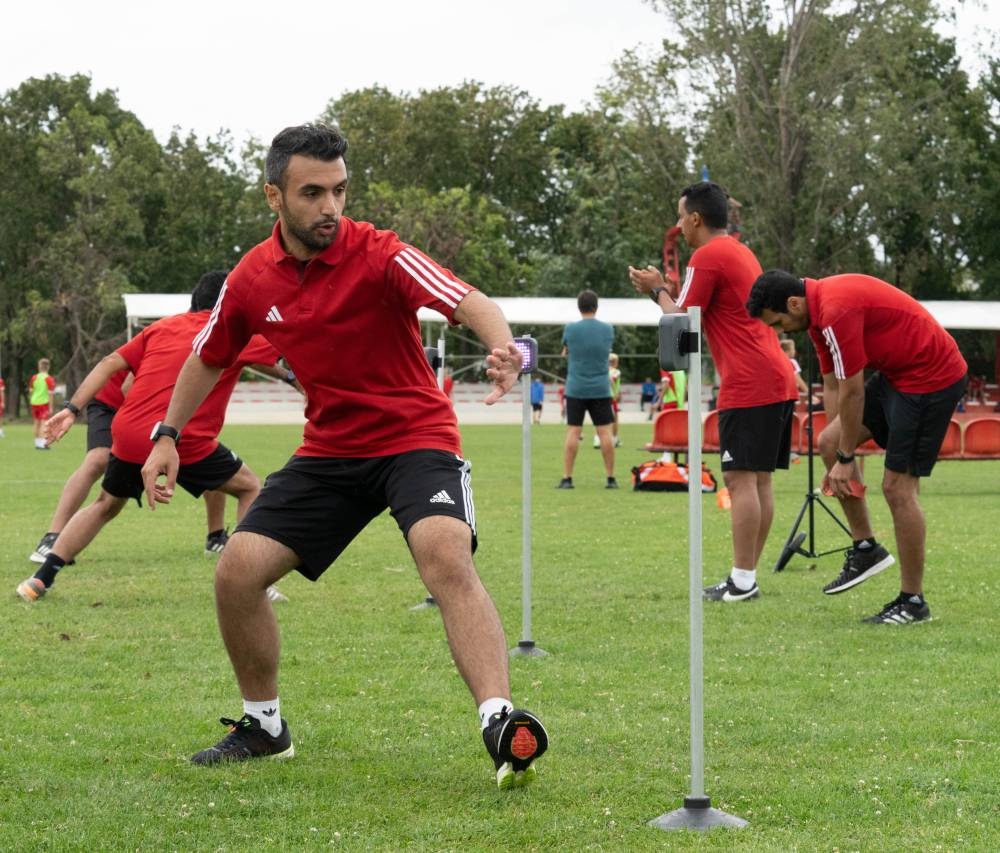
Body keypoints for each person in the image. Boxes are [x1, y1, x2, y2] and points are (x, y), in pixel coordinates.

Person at [140, 124, 547, 789]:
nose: (330, 206)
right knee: (237, 571)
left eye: (339, 190)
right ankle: (264, 727)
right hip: (330, 449)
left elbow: (469, 300)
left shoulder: (382, 253)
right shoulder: (250, 278)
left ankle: (500, 721)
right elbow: (208, 356)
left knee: (445, 554)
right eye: (312, 193)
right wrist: (166, 435)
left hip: (414, 436)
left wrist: (506, 348)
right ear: (274, 195)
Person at [16, 271, 289, 604]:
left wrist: (72, 409)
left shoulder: (162, 327)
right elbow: (289, 354)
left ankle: (40, 579)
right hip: (180, 438)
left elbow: (110, 364)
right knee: (248, 486)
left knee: (105, 505)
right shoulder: (232, 332)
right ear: (230, 304)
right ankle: (247, 578)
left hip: (130, 432)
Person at [746, 269, 968, 625]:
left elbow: (853, 391)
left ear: (793, 303)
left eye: (778, 322)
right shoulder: (815, 317)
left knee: (897, 488)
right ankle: (866, 549)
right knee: (828, 441)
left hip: (931, 378)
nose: (780, 331)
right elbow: (833, 387)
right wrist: (839, 455)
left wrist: (847, 458)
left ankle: (913, 602)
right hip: (899, 376)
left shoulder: (835, 310)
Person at [629, 181, 797, 602]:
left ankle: (742, 581)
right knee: (759, 480)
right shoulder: (739, 251)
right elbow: (697, 311)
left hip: (749, 380)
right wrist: (664, 292)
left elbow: (681, 322)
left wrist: (656, 288)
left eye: (680, 216)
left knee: (739, 479)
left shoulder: (707, 256)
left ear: (696, 218)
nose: (679, 225)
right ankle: (746, 576)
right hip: (775, 374)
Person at [27, 369, 247, 565]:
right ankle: (52, 537)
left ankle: (215, 536)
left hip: (152, 413)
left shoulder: (208, 346)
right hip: (113, 403)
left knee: (206, 456)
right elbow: (127, 385)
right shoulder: (169, 340)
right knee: (98, 460)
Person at [558, 290, 617, 489]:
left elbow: (565, 350)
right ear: (596, 306)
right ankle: (610, 478)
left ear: (579, 307)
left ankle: (567, 478)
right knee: (605, 433)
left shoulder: (570, 329)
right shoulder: (607, 329)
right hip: (601, 388)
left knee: (573, 431)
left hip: (576, 387)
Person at [29, 358, 56, 449]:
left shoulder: (34, 377)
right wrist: (51, 407)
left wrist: (33, 399)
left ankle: (37, 443)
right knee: (43, 424)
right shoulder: (49, 379)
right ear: (48, 367)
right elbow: (50, 394)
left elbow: (31, 391)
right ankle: (41, 444)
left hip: (34, 402)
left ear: (39, 367)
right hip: (43, 403)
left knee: (36, 423)